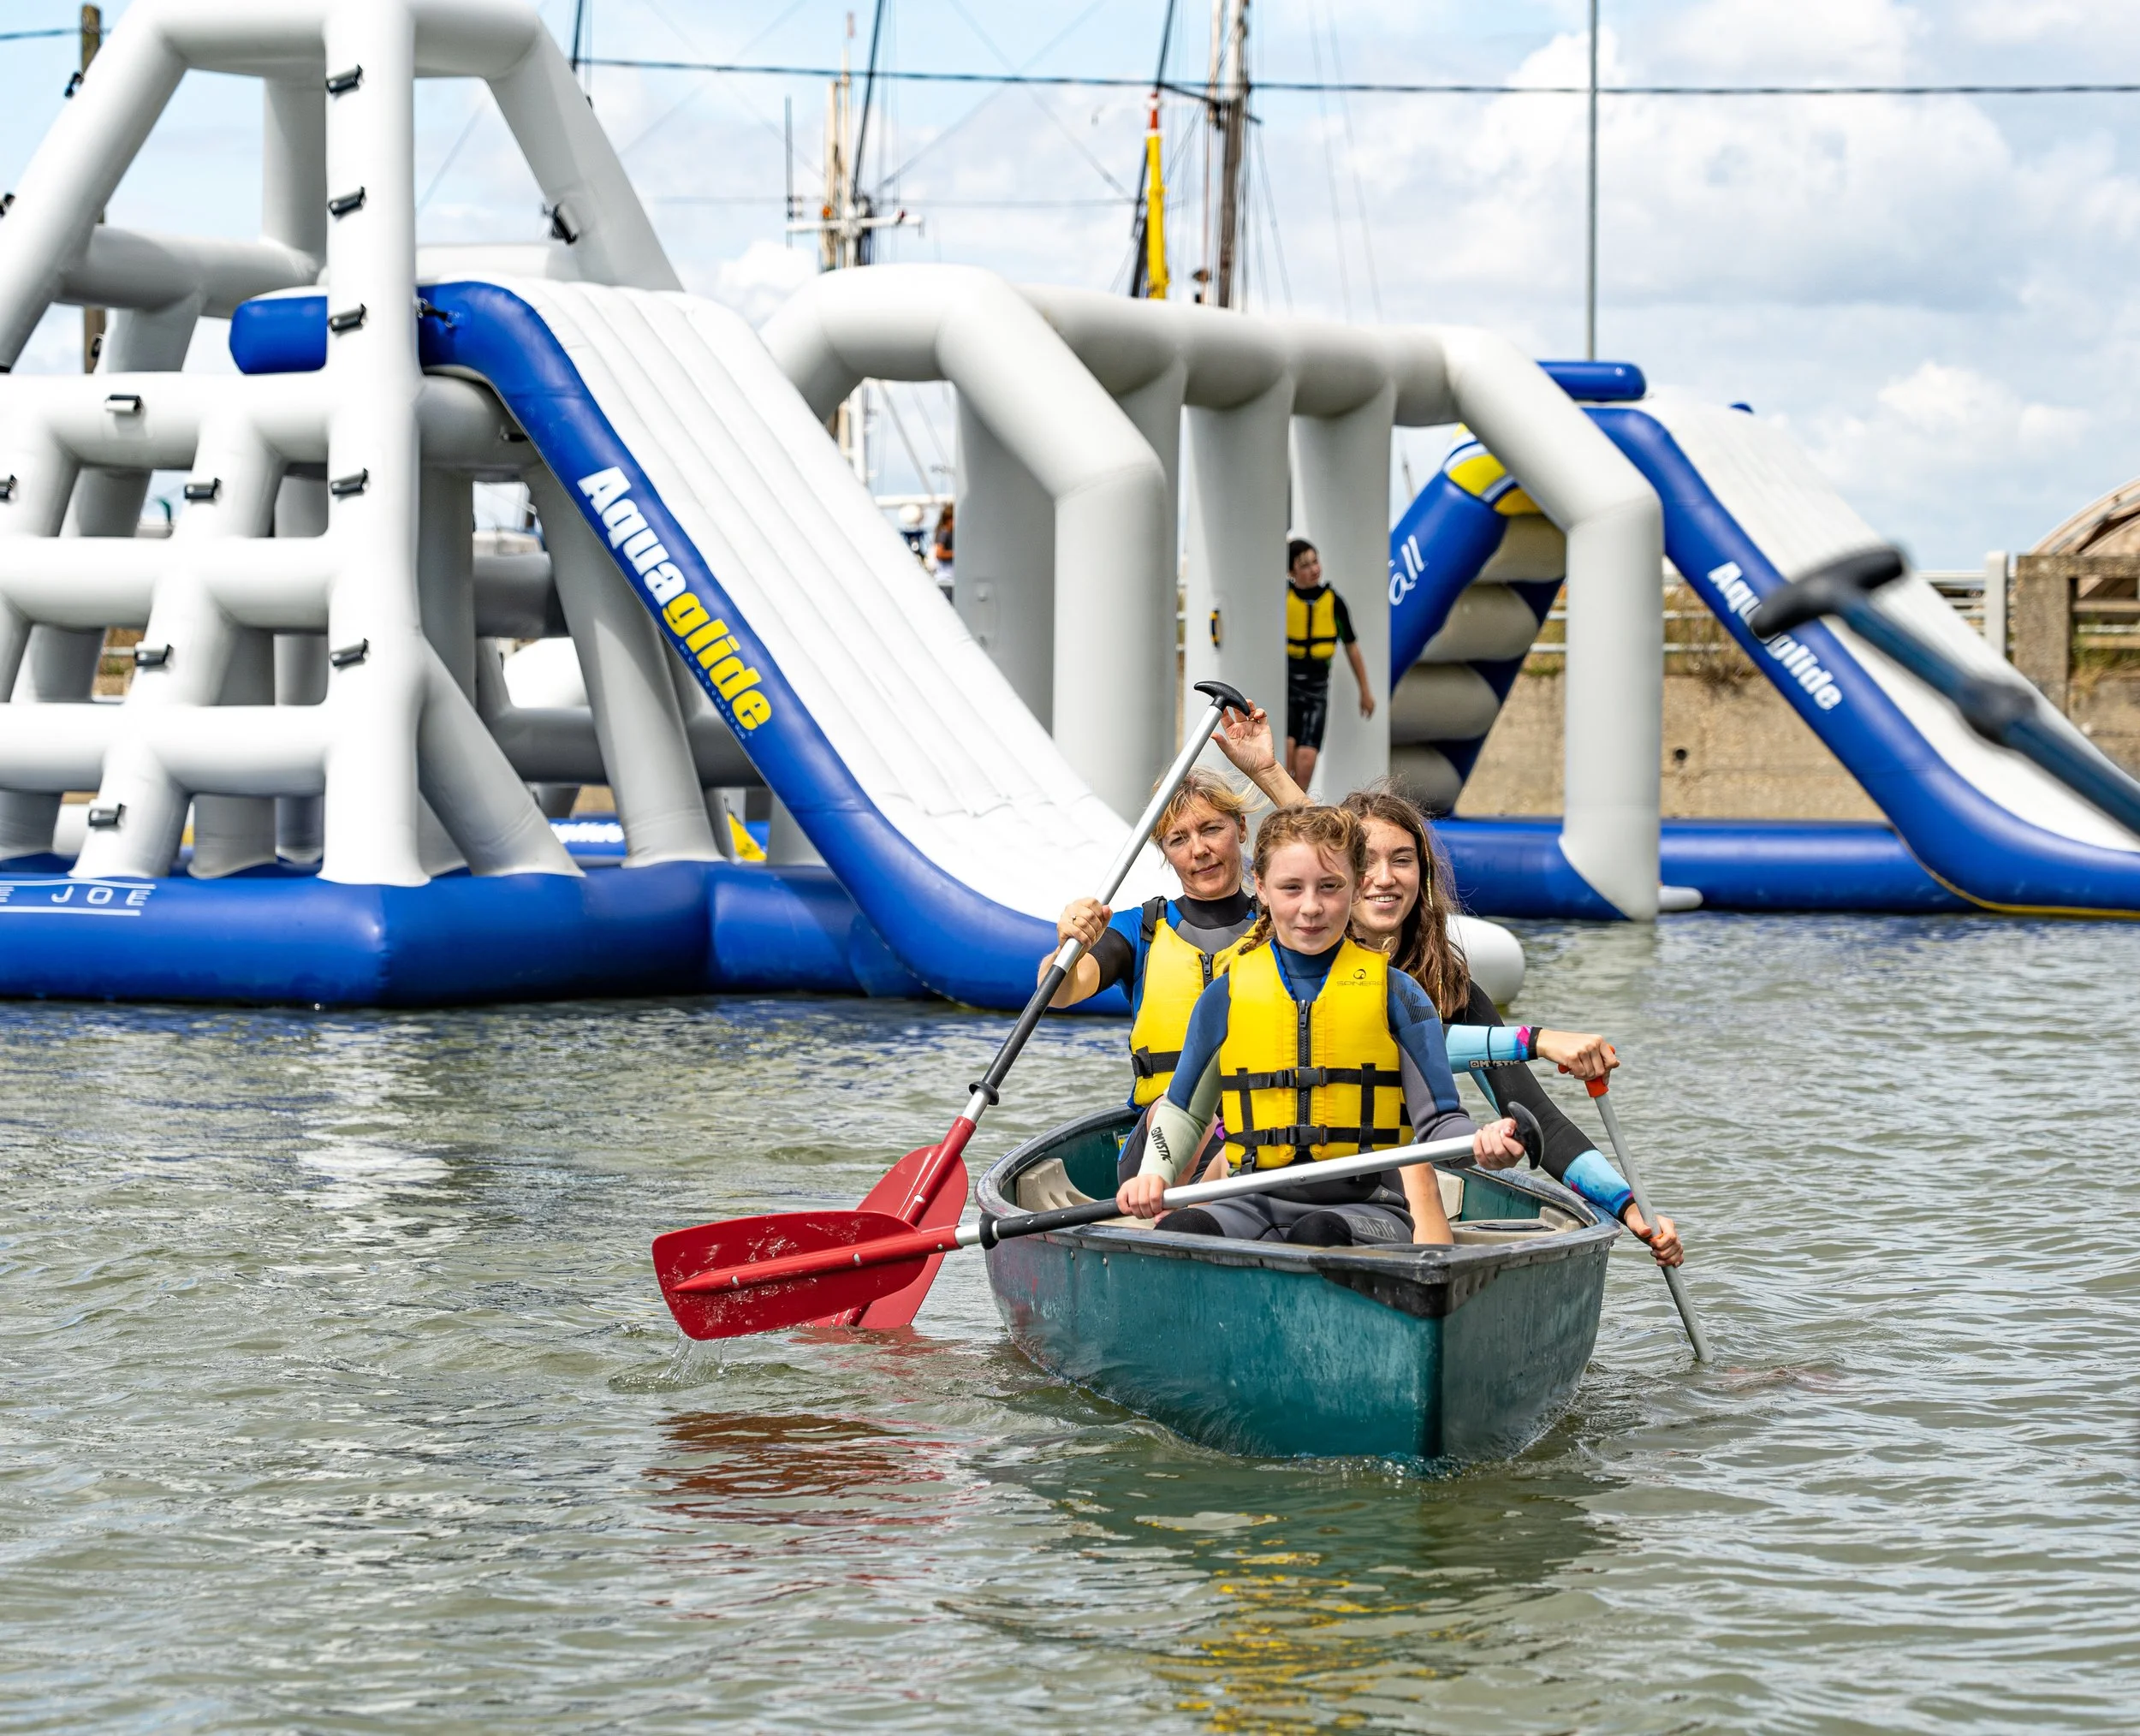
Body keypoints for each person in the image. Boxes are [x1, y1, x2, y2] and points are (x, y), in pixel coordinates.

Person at [1115, 806, 1526, 1246]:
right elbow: (1185, 1113)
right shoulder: (1226, 996)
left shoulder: (1399, 995)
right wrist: (1153, 1175)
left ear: (1355, 888)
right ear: (1263, 889)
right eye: (1291, 888)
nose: (1311, 907)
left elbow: (1441, 1124)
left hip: (1367, 1207)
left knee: (1318, 1232)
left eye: (1330, 888)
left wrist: (1481, 1143)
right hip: (1250, 1201)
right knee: (1184, 1229)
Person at [1340, 784, 1685, 1268]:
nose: (1385, 878)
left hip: (1400, 1182)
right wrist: (1536, 1041)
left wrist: (1630, 1207)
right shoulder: (1306, 973)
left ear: (1423, 873)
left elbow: (1539, 1118)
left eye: (1402, 860)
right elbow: (1402, 1042)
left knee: (1417, 1169)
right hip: (1305, 1169)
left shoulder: (1452, 992)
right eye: (1364, 861)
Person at [1283, 538, 1376, 790]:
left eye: (1315, 562)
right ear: (1291, 572)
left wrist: (1365, 691)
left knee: (1306, 761)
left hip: (1316, 690)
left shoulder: (1334, 602)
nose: (1313, 569)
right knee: (1285, 753)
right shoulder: (1282, 598)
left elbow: (1352, 648)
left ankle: (1295, 816)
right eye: (1304, 565)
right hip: (1287, 687)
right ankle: (1276, 817)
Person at [930, 502, 954, 586]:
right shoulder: (944, 533)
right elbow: (939, 554)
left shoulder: (948, 533)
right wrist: (956, 554)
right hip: (946, 578)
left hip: (950, 577)